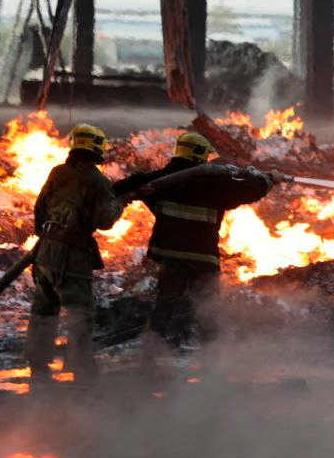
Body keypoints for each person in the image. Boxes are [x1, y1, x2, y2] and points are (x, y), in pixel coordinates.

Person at [115, 132, 275, 353]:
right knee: (208, 312)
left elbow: (127, 186)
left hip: (170, 257)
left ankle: (149, 360)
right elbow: (251, 190)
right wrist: (268, 179)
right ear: (200, 154)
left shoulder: (160, 181)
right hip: (203, 260)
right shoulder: (215, 186)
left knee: (164, 308)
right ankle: (213, 361)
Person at [26, 123, 124, 383]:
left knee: (44, 308)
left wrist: (44, 237)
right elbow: (104, 221)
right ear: (95, 146)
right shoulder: (97, 180)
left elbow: (40, 207)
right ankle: (81, 368)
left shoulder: (58, 172)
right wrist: (119, 204)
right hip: (73, 255)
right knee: (80, 310)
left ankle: (38, 364)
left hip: (46, 251)